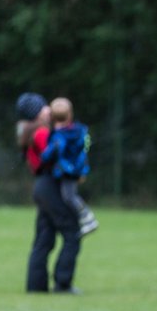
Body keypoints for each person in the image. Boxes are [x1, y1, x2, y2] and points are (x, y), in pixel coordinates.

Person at [18, 92, 82, 293]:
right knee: (72, 233)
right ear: (37, 112)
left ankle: (36, 286)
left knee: (44, 239)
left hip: (43, 187)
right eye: (44, 107)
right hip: (50, 187)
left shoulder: (33, 130)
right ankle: (63, 283)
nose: (49, 109)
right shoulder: (42, 132)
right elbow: (55, 155)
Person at [40, 97, 99, 237]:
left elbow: (51, 152)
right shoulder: (80, 131)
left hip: (66, 170)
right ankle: (83, 219)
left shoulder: (59, 136)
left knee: (69, 196)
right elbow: (85, 148)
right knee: (69, 195)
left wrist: (44, 156)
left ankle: (87, 218)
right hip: (76, 168)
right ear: (70, 115)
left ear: (52, 117)